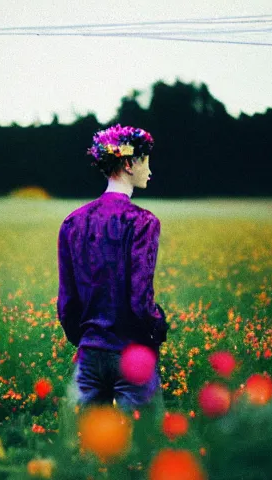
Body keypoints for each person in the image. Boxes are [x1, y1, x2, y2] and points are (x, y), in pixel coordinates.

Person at [56, 124, 169, 418]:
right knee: (143, 448)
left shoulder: (72, 222)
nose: (150, 170)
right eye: (146, 160)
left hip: (89, 353)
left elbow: (66, 305)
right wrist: (159, 329)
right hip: (132, 355)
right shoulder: (143, 222)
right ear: (129, 163)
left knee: (88, 450)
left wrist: (86, 339)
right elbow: (140, 302)